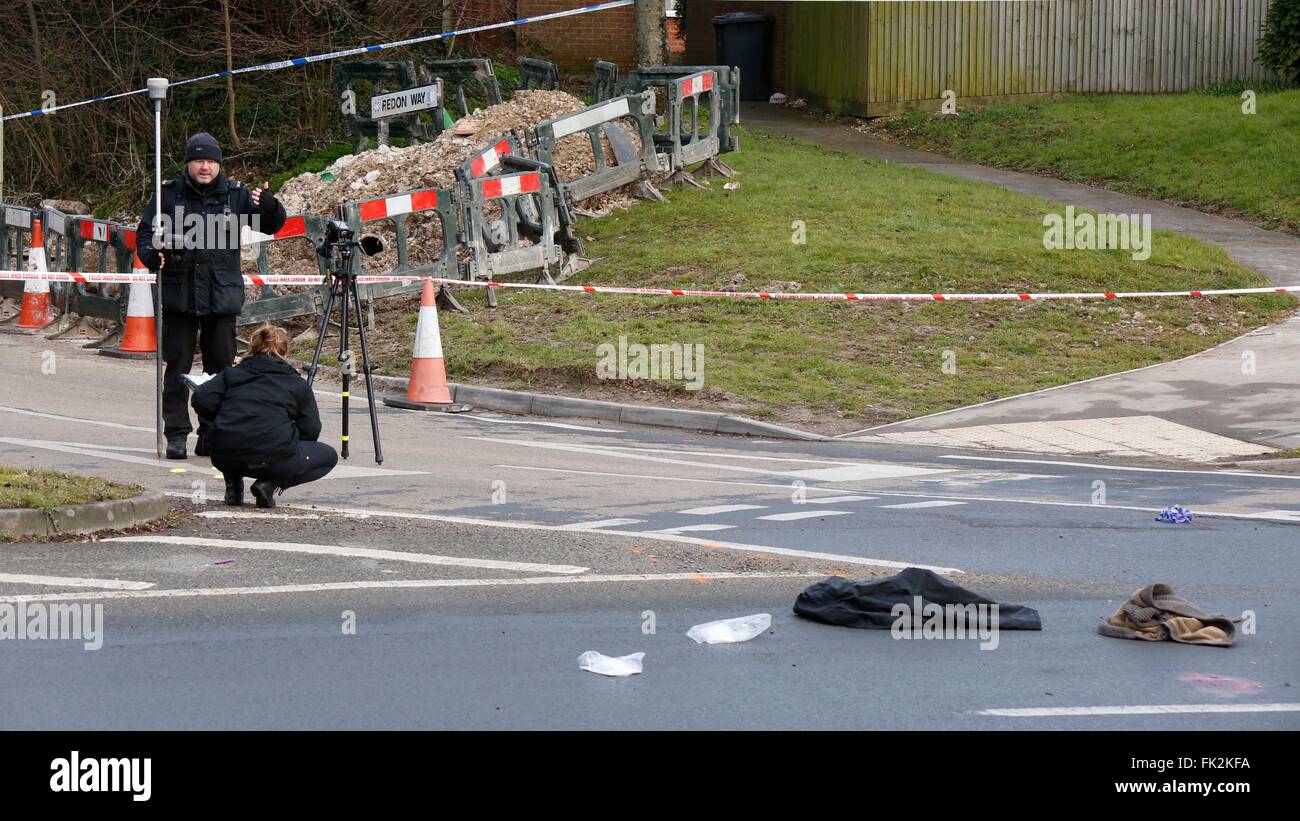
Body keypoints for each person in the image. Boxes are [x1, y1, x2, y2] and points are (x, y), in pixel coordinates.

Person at [136, 131, 288, 460]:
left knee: (220, 370)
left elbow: (270, 225)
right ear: (189, 163)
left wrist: (273, 207)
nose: (205, 167)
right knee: (177, 367)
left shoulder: (236, 197)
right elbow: (145, 233)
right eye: (199, 161)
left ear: (219, 165)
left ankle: (212, 432)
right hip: (179, 295)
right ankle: (176, 434)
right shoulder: (168, 195)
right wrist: (151, 256)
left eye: (211, 162)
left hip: (220, 297)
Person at [191, 324, 337, 508]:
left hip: (224, 455)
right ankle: (269, 483)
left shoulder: (232, 374)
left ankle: (233, 484)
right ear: (285, 352)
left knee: (235, 436)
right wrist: (287, 438)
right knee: (328, 456)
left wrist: (215, 425)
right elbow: (311, 429)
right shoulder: (296, 383)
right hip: (273, 458)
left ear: (253, 347)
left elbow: (201, 398)